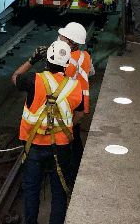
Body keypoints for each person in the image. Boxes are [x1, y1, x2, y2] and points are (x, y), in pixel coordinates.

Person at [12, 40, 84, 224]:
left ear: (46, 61)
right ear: (67, 63)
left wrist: (31, 60)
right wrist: (63, 129)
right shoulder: (76, 87)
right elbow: (79, 114)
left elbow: (15, 77)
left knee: (31, 189)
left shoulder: (33, 80)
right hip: (60, 147)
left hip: (33, 146)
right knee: (59, 191)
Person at [59, 22, 94, 170]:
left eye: (62, 36)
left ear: (70, 42)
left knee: (65, 135)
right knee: (76, 135)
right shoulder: (85, 56)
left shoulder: (65, 60)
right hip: (81, 101)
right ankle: (78, 164)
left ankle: (67, 167)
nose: (60, 38)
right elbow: (90, 72)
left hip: (68, 103)